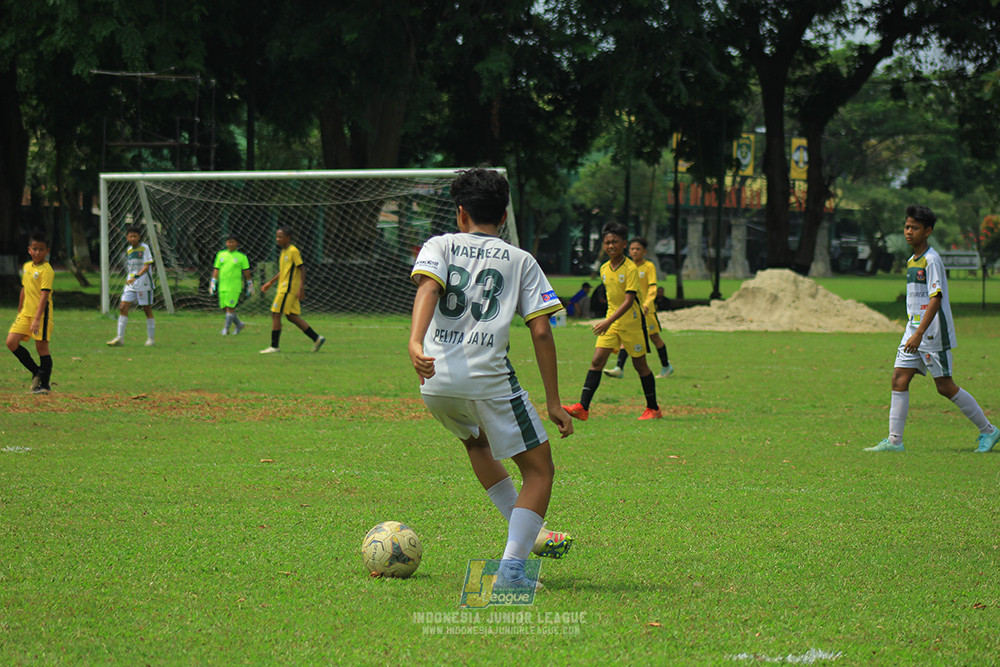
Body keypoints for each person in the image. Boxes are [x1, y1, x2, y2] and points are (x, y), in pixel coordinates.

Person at [408, 168, 574, 590]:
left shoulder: (440, 244)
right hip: (488, 380)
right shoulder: (521, 260)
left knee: (477, 442)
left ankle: (530, 532)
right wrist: (554, 402)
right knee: (540, 471)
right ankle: (512, 571)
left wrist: (415, 342)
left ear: (461, 213)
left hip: (435, 380)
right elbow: (541, 331)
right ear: (503, 216)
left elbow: (428, 289)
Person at [866, 205, 999, 453]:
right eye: (907, 227)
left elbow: (935, 299)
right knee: (899, 378)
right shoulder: (912, 261)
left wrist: (919, 333)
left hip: (932, 333)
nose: (908, 232)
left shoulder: (932, 260)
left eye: (915, 228)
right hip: (913, 331)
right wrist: (913, 330)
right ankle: (894, 441)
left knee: (945, 386)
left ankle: (989, 431)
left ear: (927, 231)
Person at [564, 223, 662, 421]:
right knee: (597, 361)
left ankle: (653, 408)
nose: (610, 246)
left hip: (632, 323)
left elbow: (629, 301)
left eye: (615, 242)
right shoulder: (604, 268)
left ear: (624, 244)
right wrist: (609, 321)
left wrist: (607, 321)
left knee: (640, 365)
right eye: (607, 242)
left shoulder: (631, 268)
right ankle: (583, 408)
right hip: (612, 322)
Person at [603, 237, 674, 379]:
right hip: (631, 311)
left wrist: (646, 304)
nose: (634, 251)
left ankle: (666, 366)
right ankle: (619, 368)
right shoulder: (627, 266)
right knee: (626, 336)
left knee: (655, 338)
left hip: (647, 311)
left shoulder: (649, 267)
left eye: (638, 249)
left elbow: (652, 288)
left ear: (644, 252)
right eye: (632, 249)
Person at [259, 227, 326, 354]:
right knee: (291, 316)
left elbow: (302, 269)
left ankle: (274, 346)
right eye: (276, 236)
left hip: (288, 288)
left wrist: (301, 288)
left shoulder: (293, 251)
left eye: (280, 236)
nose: (277, 239)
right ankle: (317, 338)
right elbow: (283, 271)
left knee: (275, 314)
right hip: (284, 287)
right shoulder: (283, 252)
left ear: (288, 238)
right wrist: (270, 282)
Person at [7, 233, 54, 394]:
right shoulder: (27, 267)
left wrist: (37, 319)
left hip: (41, 316)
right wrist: (20, 309)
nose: (37, 252)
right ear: (29, 250)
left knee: (42, 348)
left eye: (41, 249)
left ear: (47, 251)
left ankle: (45, 386)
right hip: (26, 314)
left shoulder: (47, 270)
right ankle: (36, 372)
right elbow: (24, 288)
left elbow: (44, 295)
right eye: (34, 249)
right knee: (11, 342)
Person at [106, 225, 156, 347]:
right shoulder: (129, 250)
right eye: (130, 236)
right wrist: (131, 279)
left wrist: (136, 277)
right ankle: (120, 338)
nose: (133, 238)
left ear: (139, 237)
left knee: (147, 309)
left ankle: (151, 339)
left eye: (135, 236)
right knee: (123, 307)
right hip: (131, 284)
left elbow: (146, 267)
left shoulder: (145, 248)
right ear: (127, 237)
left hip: (143, 283)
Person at [210, 234, 253, 335]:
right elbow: (216, 269)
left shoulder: (242, 257)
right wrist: (213, 281)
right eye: (229, 242)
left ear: (237, 243)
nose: (230, 244)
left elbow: (246, 271)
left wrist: (249, 283)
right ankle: (239, 324)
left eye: (232, 242)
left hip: (234, 287)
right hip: (222, 286)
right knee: (224, 307)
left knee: (230, 307)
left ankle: (226, 329)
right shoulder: (221, 255)